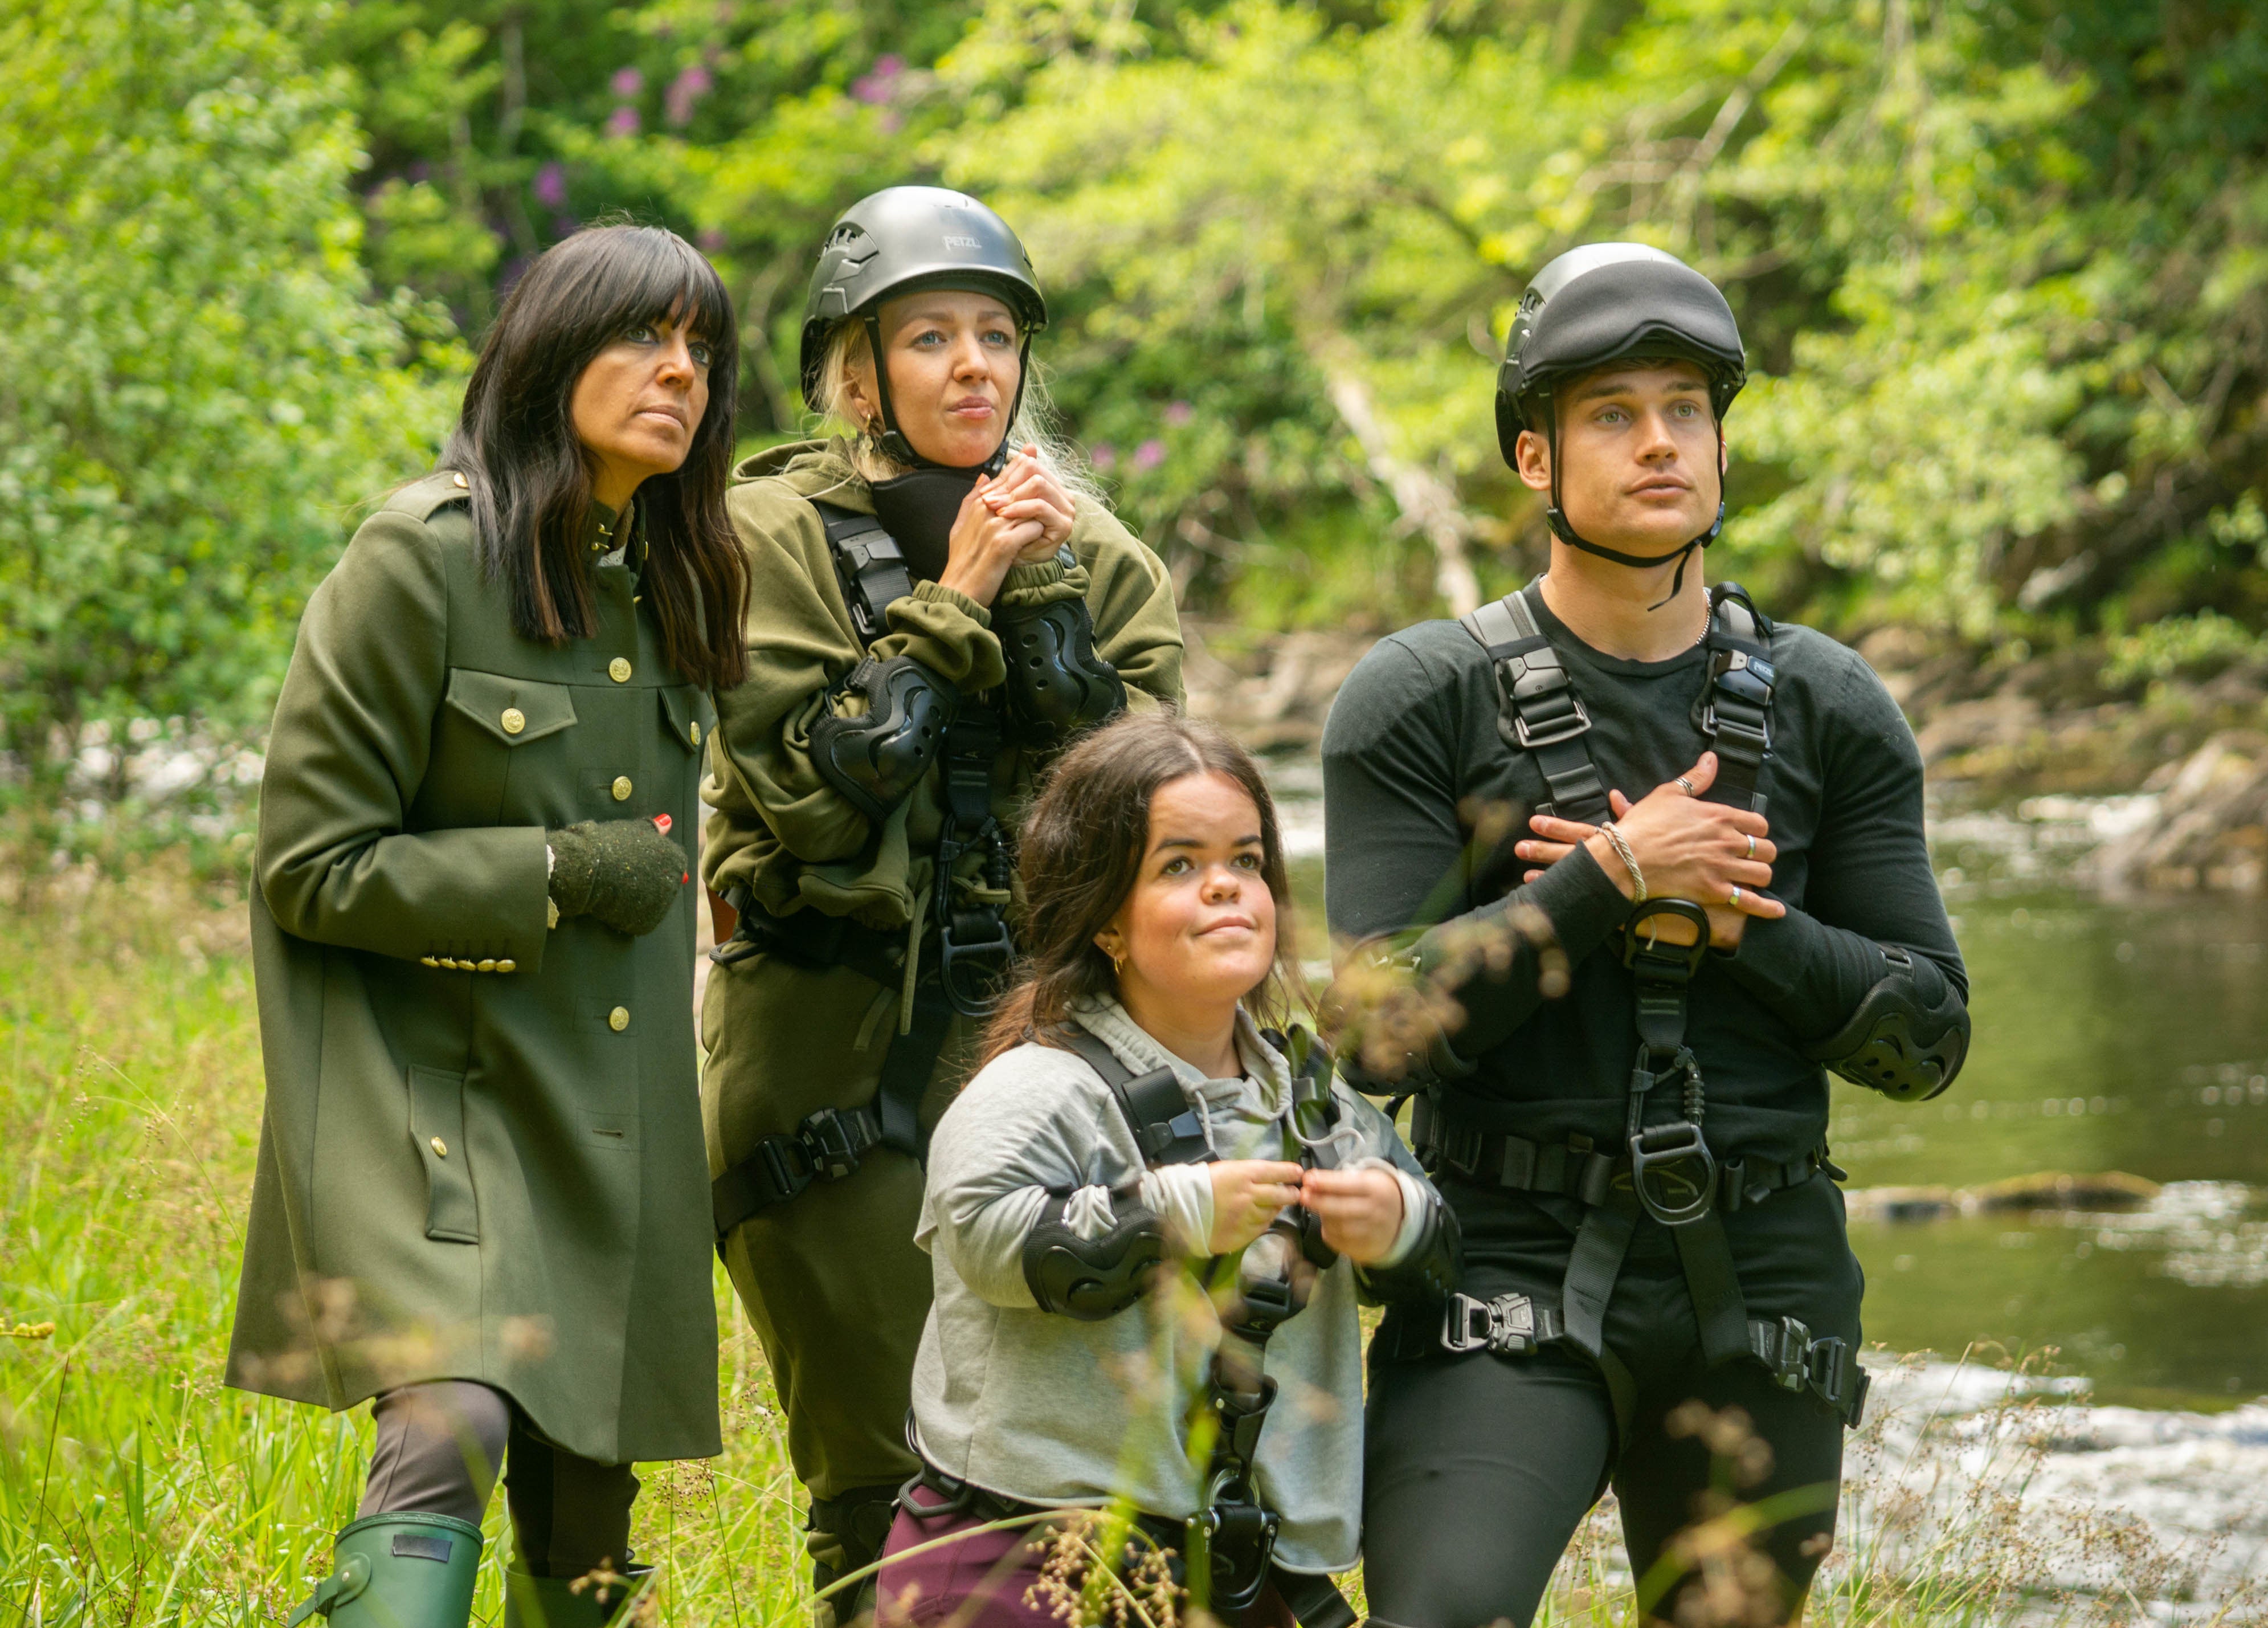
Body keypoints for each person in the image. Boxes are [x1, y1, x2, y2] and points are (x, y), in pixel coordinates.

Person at [1322, 244, 1972, 1627]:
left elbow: (1928, 1037)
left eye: (1686, 409)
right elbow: (1370, 1033)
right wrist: (1603, 879)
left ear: (1724, 448)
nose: (1660, 442)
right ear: (1533, 458)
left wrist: (1740, 923)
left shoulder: (1829, 703)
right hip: (1502, 1259)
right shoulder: (1420, 695)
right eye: (1612, 414)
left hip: (1762, 1273)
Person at [230, 225, 750, 1628]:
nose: (678, 370)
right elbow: (310, 864)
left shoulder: (683, 576)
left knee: (589, 1490)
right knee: (451, 1415)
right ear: (547, 353)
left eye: (701, 347)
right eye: (642, 334)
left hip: (608, 1117)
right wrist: (556, 873)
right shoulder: (419, 557)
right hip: (428, 1095)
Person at [697, 185, 1186, 1610]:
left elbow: (1141, 818)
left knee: (1074, 1490)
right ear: (860, 371)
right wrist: (955, 593)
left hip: (1051, 1064)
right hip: (829, 1076)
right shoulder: (764, 536)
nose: (973, 364)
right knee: (875, 1482)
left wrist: (1040, 599)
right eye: (929, 337)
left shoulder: (1104, 562)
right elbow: (815, 790)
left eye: (994, 335)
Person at [873, 713, 1460, 1627]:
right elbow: (989, 1238)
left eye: (1248, 861)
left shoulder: (1315, 1103)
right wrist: (1170, 1212)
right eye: (1178, 865)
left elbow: (1438, 1255)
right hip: (1020, 1563)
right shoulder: (1036, 1086)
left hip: (1237, 1571)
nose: (1226, 887)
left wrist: (1397, 1218)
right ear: (1105, 917)